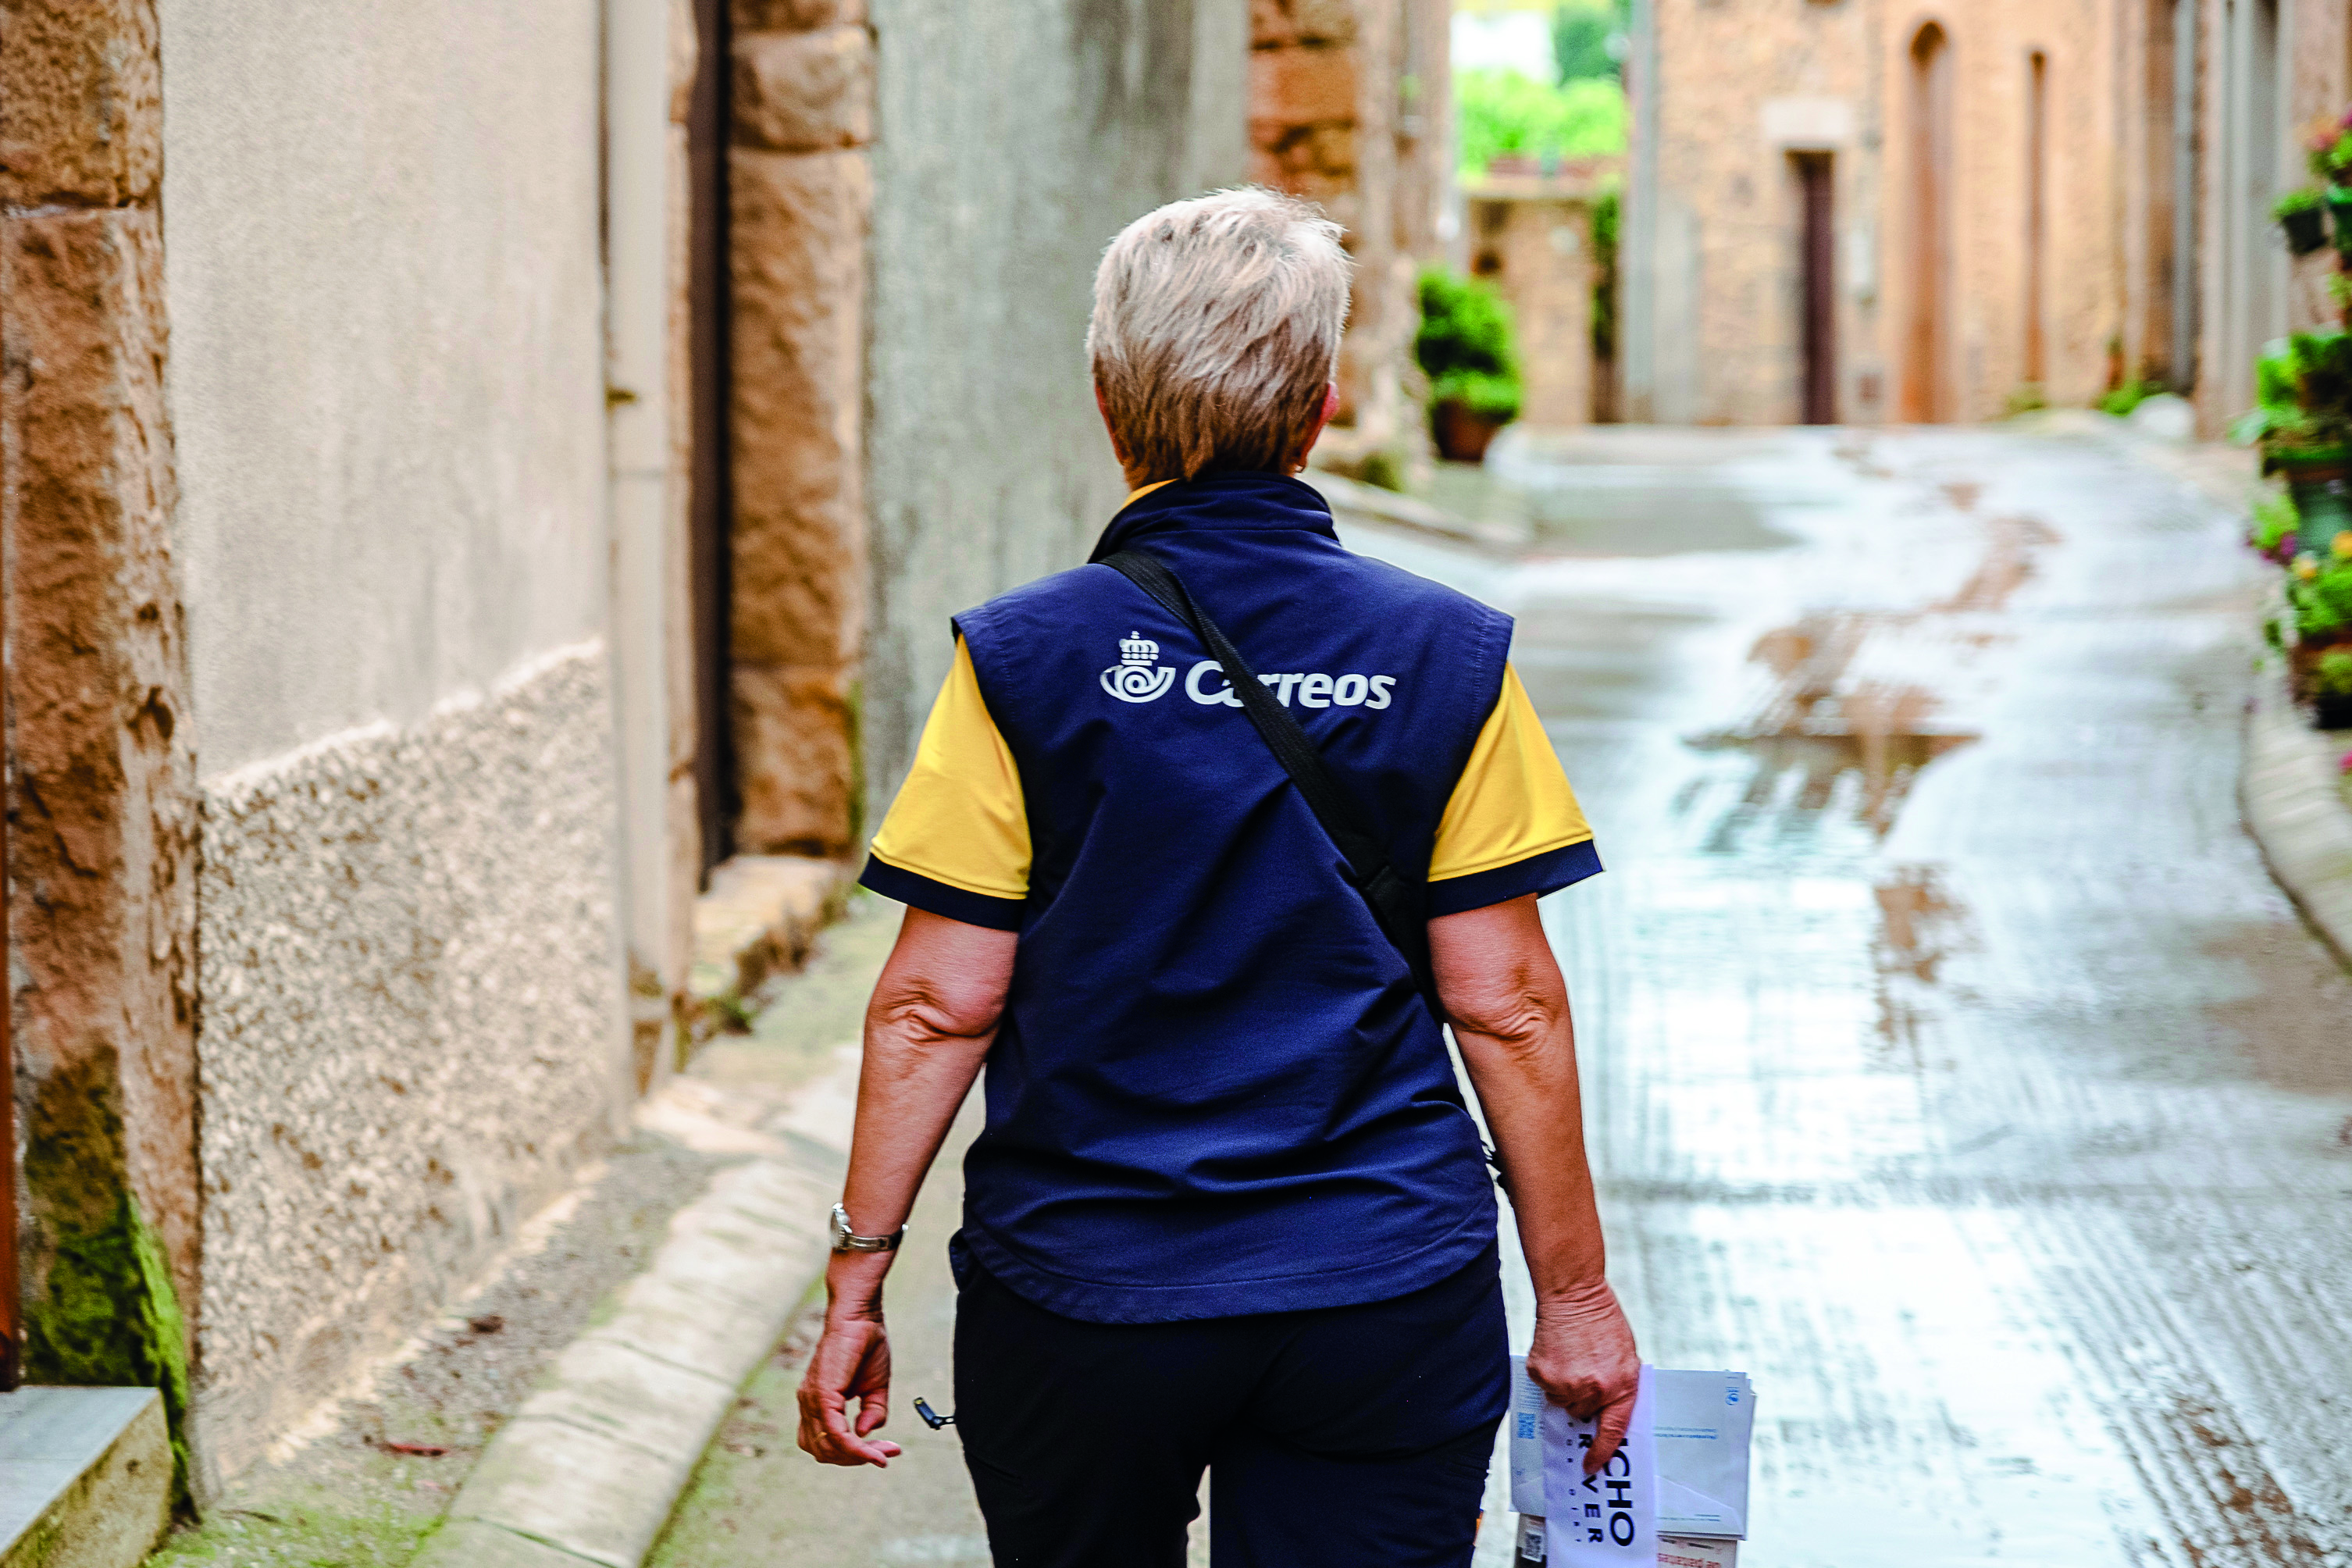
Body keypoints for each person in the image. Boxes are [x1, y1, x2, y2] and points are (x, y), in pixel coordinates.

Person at [796, 187, 1638, 1568]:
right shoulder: (1449, 655)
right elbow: (1511, 1007)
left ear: (1109, 403)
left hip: (1083, 1297)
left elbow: (933, 1006)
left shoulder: (1021, 661)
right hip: (1380, 1291)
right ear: (1318, 409)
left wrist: (857, 1277)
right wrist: (1579, 1298)